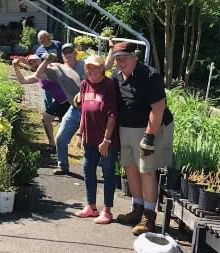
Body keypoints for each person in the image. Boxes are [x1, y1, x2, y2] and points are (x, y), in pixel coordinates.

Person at [112, 42, 174, 235]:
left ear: (134, 56)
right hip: (126, 127)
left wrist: (149, 137)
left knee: (146, 171)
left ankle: (149, 217)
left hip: (148, 128)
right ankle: (137, 209)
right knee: (129, 167)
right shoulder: (117, 75)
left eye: (124, 57)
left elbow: (158, 108)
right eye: (117, 58)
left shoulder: (149, 75)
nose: (121, 62)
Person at [35, 41, 114, 175]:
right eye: (65, 52)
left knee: (96, 142)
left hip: (93, 110)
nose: (68, 54)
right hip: (75, 109)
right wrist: (47, 60)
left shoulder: (85, 65)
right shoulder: (57, 69)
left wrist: (111, 48)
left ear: (75, 53)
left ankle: (105, 170)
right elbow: (38, 74)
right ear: (62, 55)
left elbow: (106, 66)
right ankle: (63, 166)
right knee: (60, 138)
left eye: (70, 51)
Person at [75, 54, 118, 224]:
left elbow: (112, 116)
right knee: (88, 170)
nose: (90, 70)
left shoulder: (109, 85)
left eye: (94, 67)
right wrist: (80, 134)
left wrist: (106, 140)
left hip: (106, 140)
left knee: (108, 172)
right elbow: (83, 112)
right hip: (89, 138)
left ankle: (107, 210)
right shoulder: (84, 84)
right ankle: (91, 207)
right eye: (88, 67)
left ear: (102, 68)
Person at [12, 54, 70, 151]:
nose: (33, 63)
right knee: (46, 119)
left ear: (41, 60)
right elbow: (23, 81)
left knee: (79, 124)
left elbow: (44, 72)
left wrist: (29, 64)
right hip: (60, 102)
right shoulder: (37, 76)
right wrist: (15, 66)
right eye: (30, 63)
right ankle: (52, 145)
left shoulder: (51, 67)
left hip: (70, 100)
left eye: (34, 61)